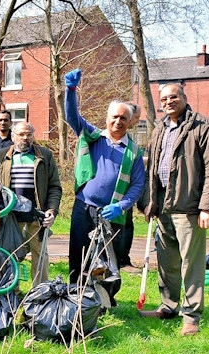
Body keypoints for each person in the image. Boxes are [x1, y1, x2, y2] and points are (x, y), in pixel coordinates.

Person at [139, 83, 209, 336]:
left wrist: (207, 207)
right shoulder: (159, 129)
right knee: (167, 262)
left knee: (191, 264)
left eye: (173, 97)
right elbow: (151, 169)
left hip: (189, 208)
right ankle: (168, 306)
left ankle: (191, 315)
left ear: (184, 97)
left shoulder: (202, 127)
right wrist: (149, 202)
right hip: (162, 207)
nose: (168, 102)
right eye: (163, 99)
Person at [63, 68, 145, 287]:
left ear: (130, 122)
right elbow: (72, 116)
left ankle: (102, 300)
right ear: (107, 118)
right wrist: (70, 90)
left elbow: (137, 185)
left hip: (112, 214)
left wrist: (122, 206)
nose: (118, 121)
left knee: (107, 259)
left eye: (123, 118)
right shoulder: (93, 136)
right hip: (84, 207)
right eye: (114, 117)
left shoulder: (134, 152)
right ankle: (76, 296)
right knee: (79, 254)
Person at [0, 122, 62, 287]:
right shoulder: (1, 156)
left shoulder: (44, 155)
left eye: (29, 134)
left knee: (40, 254)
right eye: (21, 134)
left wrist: (51, 210)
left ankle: (40, 293)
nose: (25, 138)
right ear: (13, 136)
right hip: (11, 217)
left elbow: (54, 186)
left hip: (37, 215)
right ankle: (11, 292)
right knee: (10, 254)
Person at [118, 102, 143, 273]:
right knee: (123, 227)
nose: (138, 120)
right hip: (119, 193)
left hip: (129, 192)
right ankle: (121, 260)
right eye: (137, 117)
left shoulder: (131, 140)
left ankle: (123, 258)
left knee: (128, 225)